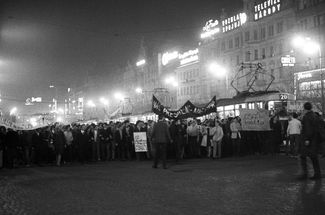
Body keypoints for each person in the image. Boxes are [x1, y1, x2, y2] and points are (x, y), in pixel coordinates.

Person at [298, 102, 322, 180]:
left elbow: (308, 129)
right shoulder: (315, 115)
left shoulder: (307, 117)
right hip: (315, 140)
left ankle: (305, 174)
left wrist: (307, 139)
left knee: (303, 156)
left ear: (305, 109)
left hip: (308, 140)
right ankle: (317, 174)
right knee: (314, 158)